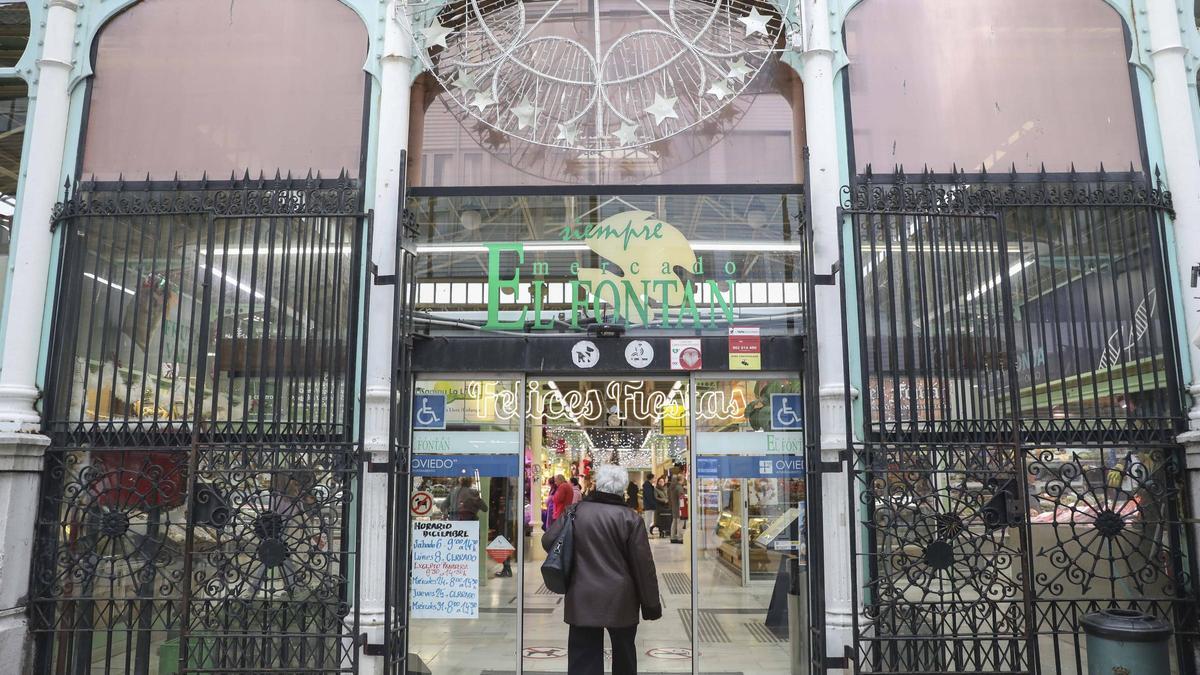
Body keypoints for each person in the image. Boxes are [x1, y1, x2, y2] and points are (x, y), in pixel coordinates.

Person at [542, 464, 661, 675]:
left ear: (597, 484)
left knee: (583, 660)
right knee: (624, 658)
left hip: (582, 596)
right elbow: (644, 566)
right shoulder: (630, 518)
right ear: (623, 489)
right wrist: (651, 605)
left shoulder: (575, 512)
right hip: (621, 599)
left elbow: (548, 540)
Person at [668, 468, 684, 543]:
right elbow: (681, 498)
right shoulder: (679, 487)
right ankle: (680, 538)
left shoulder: (672, 487)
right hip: (679, 507)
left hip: (674, 506)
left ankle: (673, 537)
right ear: (681, 479)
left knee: (674, 522)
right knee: (680, 522)